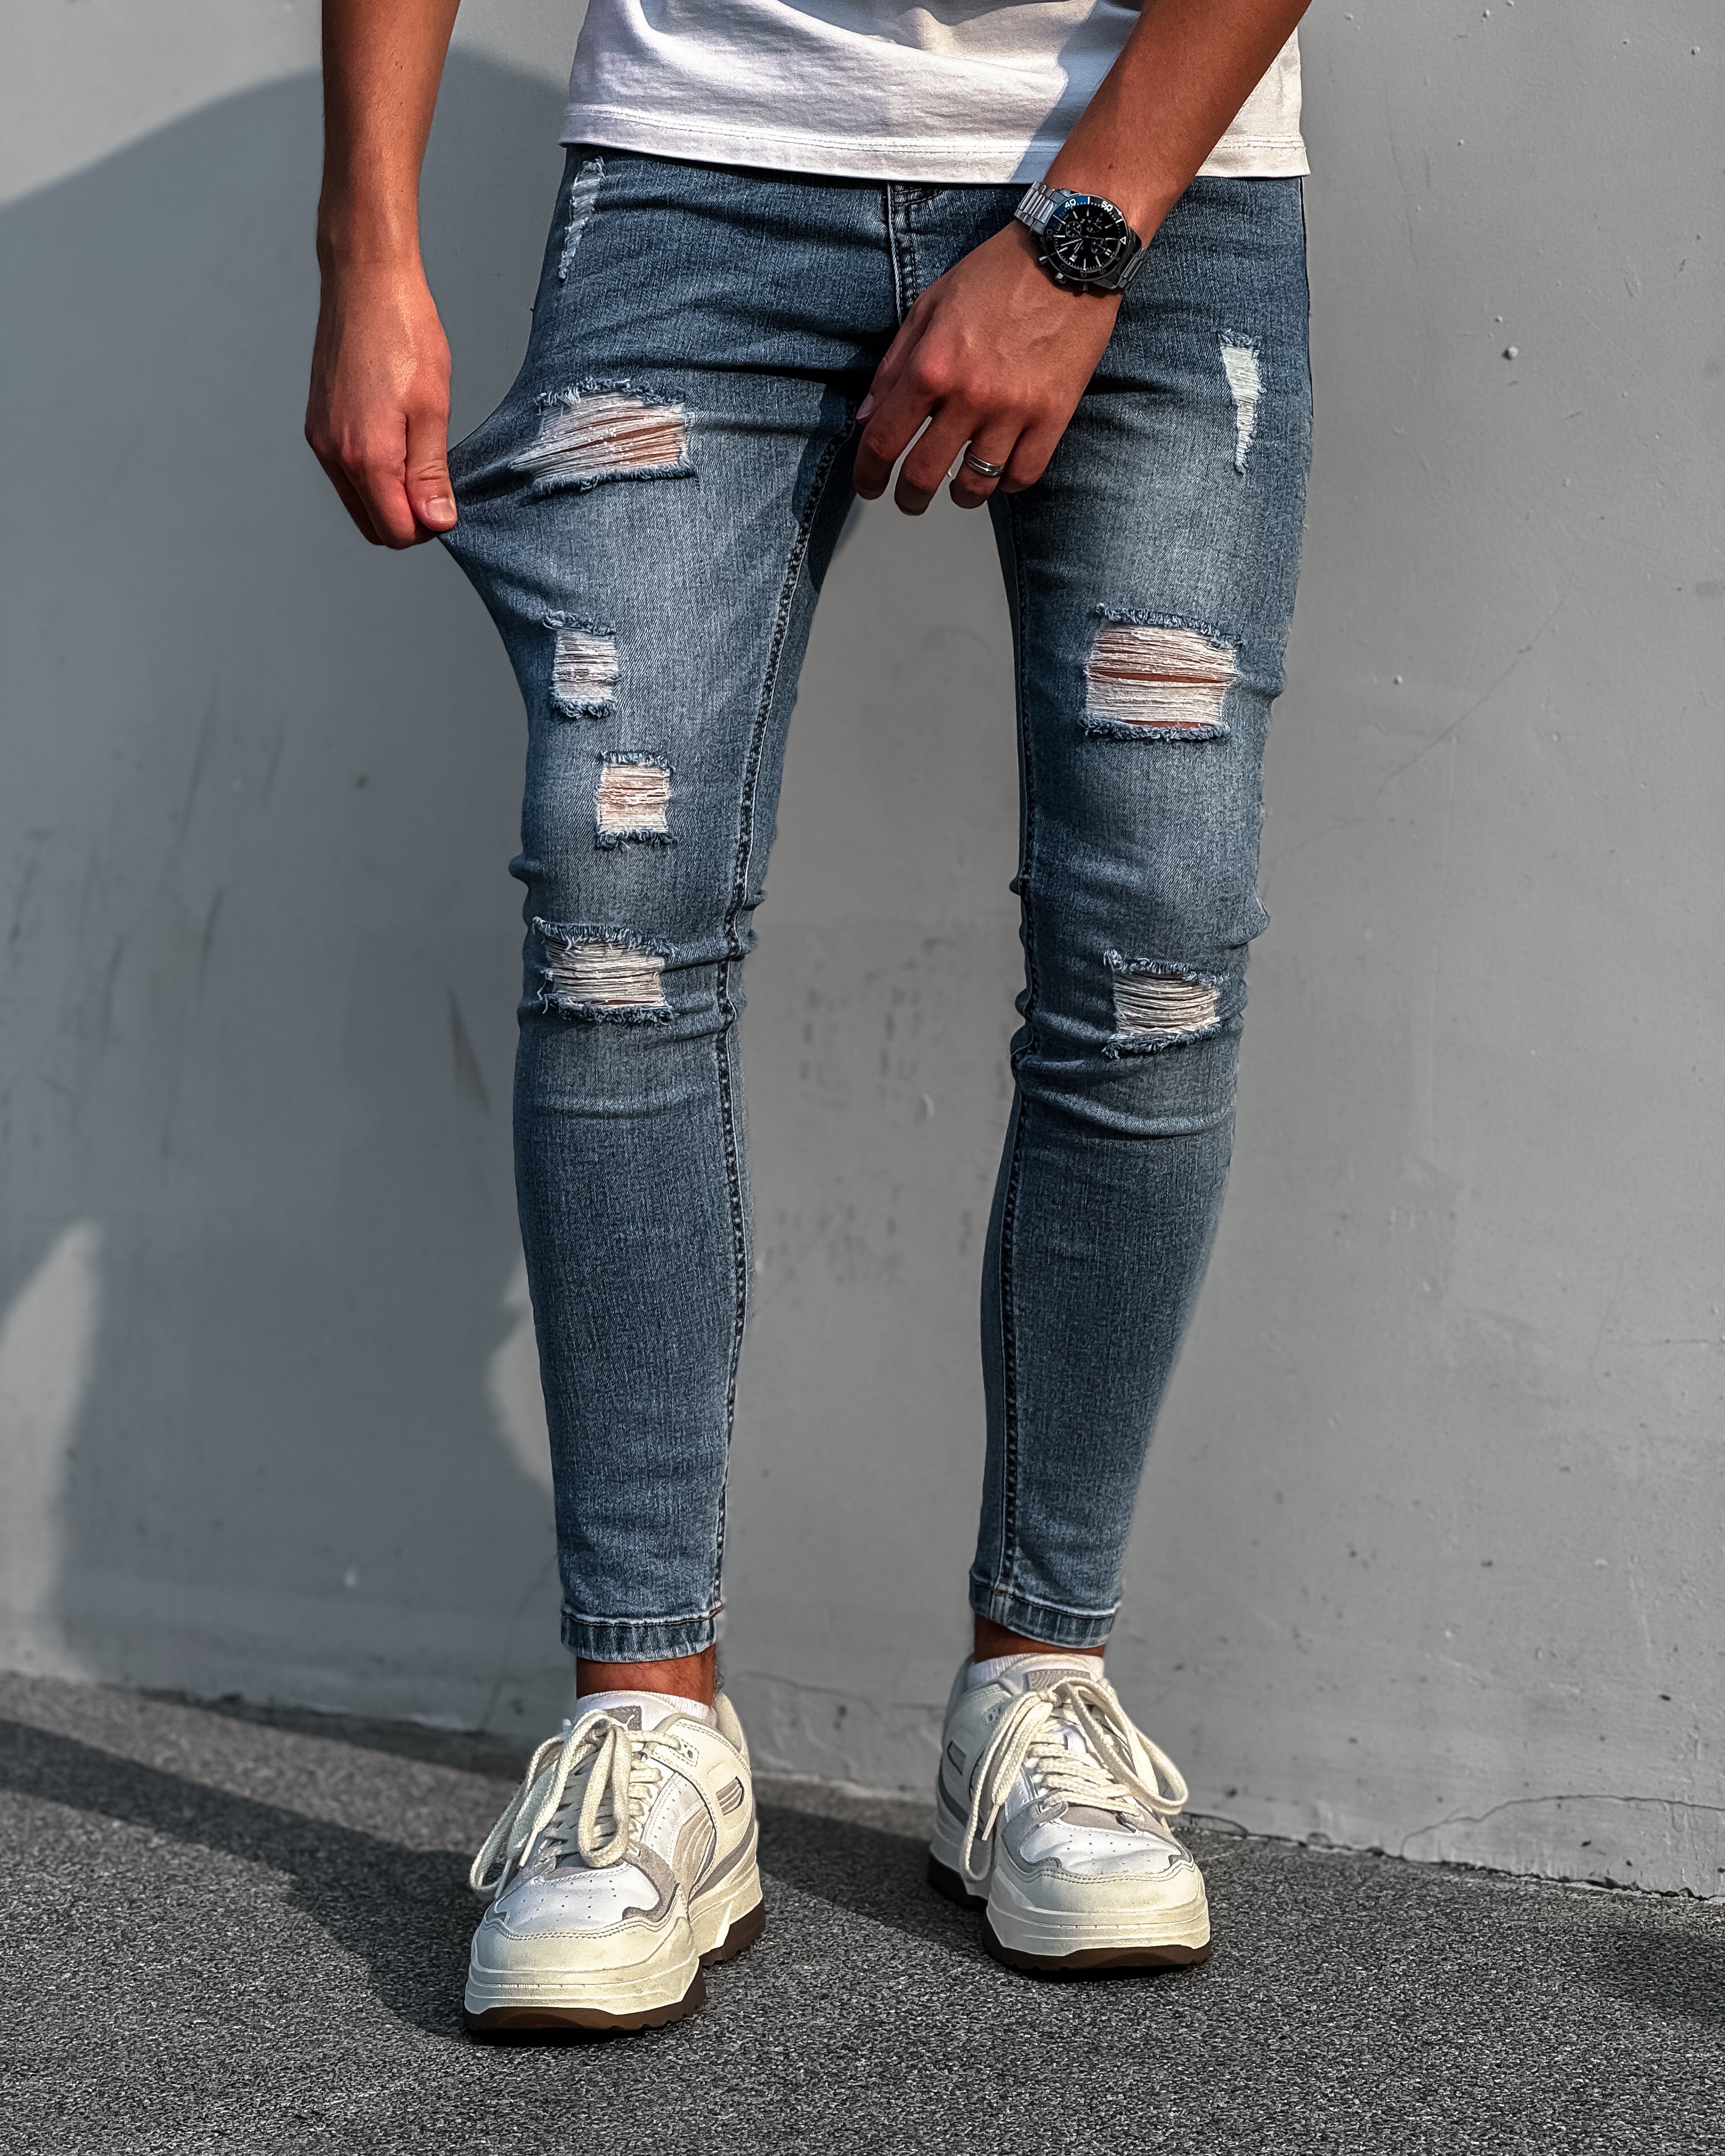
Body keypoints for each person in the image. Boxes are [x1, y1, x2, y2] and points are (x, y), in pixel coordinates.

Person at [308, 0, 1313, 2033]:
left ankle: (1041, 1688)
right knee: (619, 914)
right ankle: (646, 1728)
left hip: (1164, 185)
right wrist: (366, 242)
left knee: (1157, 945)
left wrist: (1084, 233)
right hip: (702, 164)